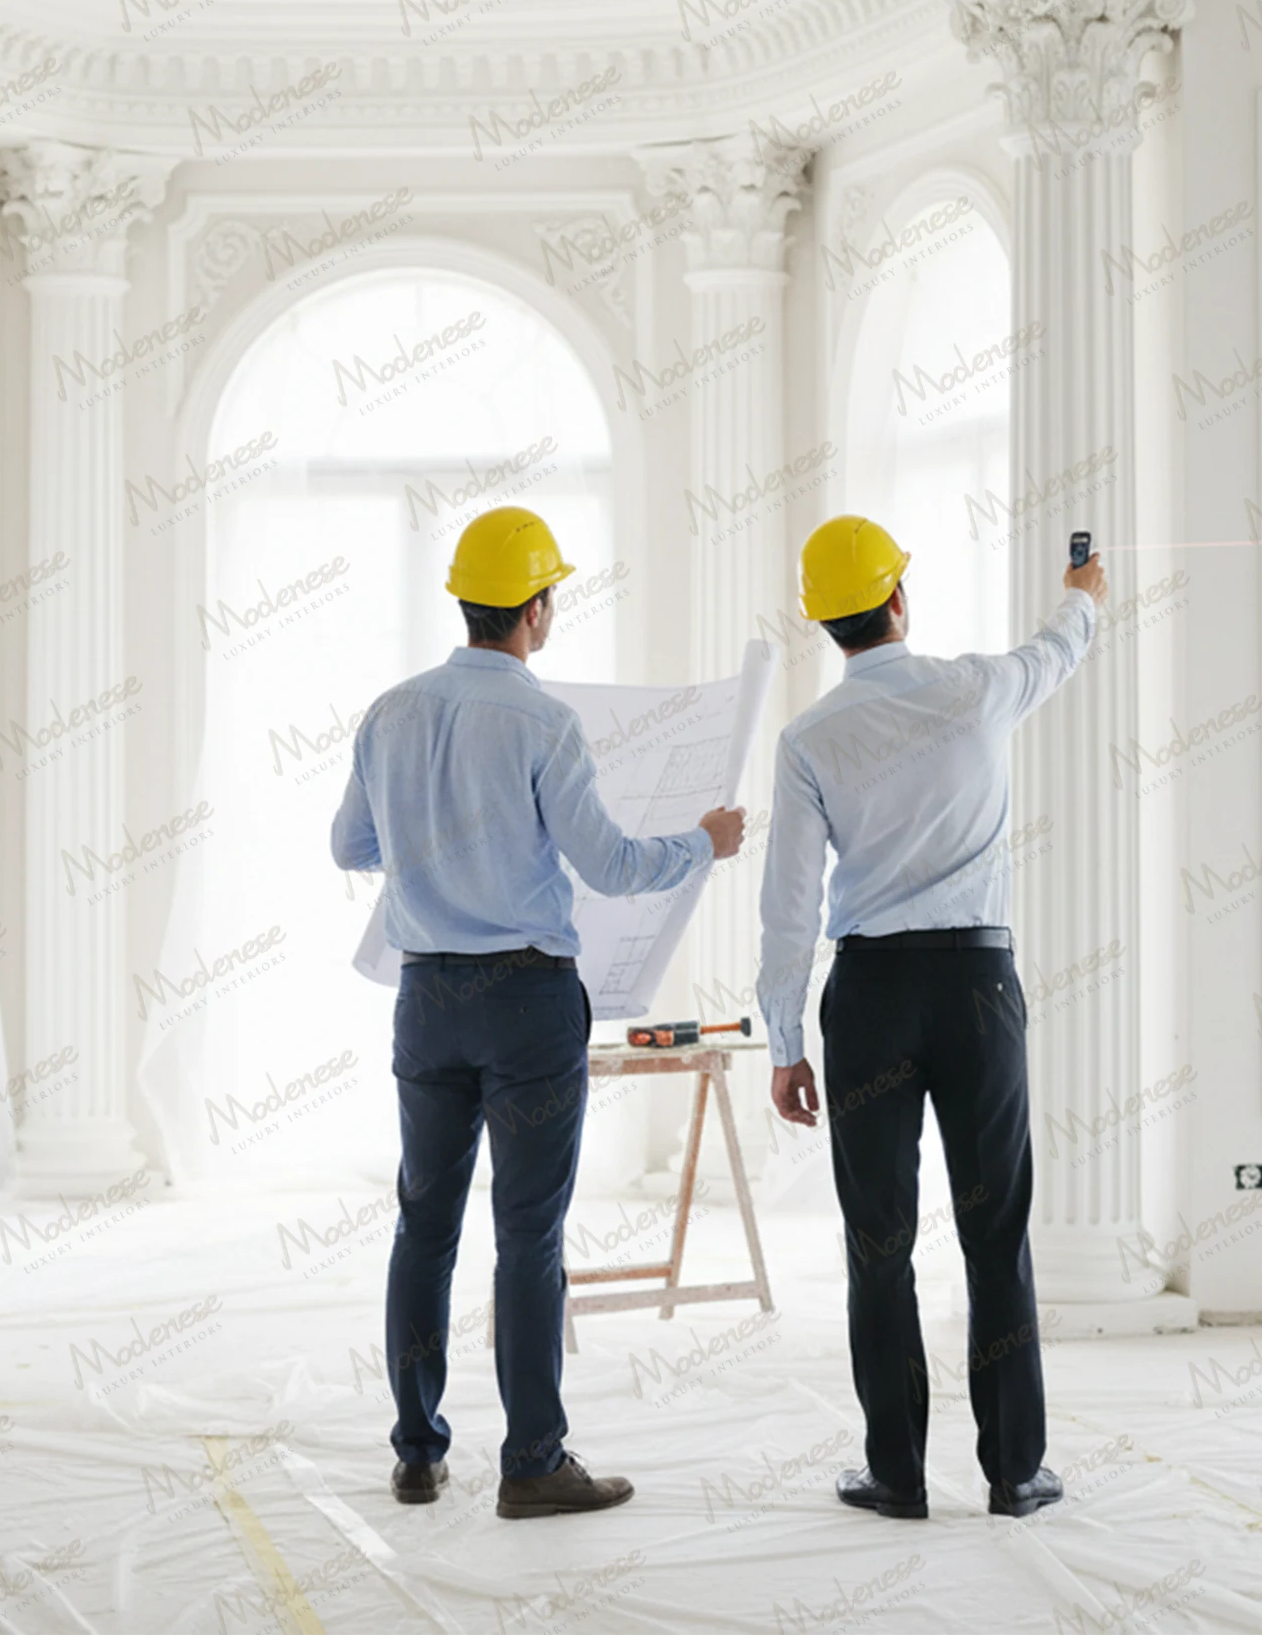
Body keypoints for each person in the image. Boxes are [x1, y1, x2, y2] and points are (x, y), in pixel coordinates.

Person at [331, 504, 747, 1519]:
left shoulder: (389, 713)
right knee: (529, 1236)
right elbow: (609, 866)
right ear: (535, 609)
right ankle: (531, 1465)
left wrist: (433, 853)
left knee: (423, 1227)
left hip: (428, 1000)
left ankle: (418, 1455)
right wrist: (704, 842)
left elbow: (351, 849)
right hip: (524, 1004)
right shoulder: (542, 722)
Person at [755, 514, 1107, 1521]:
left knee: (879, 1240)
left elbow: (788, 906)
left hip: (868, 999)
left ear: (828, 625)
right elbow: (1064, 643)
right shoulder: (978, 689)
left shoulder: (808, 739)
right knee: (996, 1230)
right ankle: (1014, 1472)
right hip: (977, 993)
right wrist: (1084, 585)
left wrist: (784, 1043)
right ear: (900, 600)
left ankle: (898, 1476)